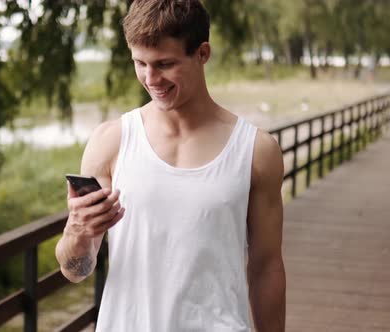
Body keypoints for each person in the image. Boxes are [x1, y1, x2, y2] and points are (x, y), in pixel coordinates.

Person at [55, 0, 286, 331]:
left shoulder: (256, 151)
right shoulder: (110, 142)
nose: (151, 79)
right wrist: (78, 232)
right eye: (140, 63)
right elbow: (75, 271)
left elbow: (266, 267)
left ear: (202, 53)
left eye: (164, 64)